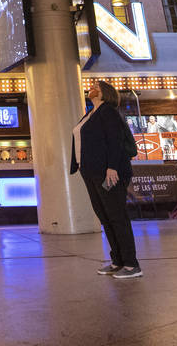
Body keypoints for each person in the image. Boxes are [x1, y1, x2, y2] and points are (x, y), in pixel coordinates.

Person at [70, 80, 141, 279]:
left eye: (96, 87)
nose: (91, 88)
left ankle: (131, 264)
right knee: (105, 217)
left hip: (108, 172)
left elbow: (115, 141)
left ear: (104, 93)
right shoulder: (91, 113)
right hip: (90, 170)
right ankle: (117, 261)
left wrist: (112, 167)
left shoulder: (108, 111)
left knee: (117, 216)